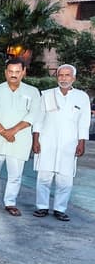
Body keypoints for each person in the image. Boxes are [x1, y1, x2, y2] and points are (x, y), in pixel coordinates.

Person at [0, 58, 41, 216]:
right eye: (10, 71)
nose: (13, 75)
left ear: (23, 72)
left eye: (17, 71)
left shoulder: (33, 92)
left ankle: (10, 203)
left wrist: (12, 131)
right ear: (5, 72)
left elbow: (33, 115)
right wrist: (3, 132)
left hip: (19, 140)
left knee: (15, 175)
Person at [31, 64, 89, 221]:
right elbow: (38, 119)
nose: (63, 78)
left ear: (73, 78)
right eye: (61, 75)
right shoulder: (47, 95)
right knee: (44, 177)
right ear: (57, 77)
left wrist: (81, 142)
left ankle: (60, 209)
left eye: (67, 75)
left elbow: (84, 122)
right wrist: (35, 140)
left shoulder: (82, 97)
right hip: (47, 142)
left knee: (65, 178)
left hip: (69, 143)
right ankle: (42, 207)